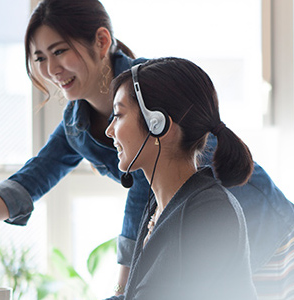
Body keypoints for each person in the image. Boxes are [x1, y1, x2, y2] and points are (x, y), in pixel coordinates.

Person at [0, 0, 294, 297]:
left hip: (262, 233)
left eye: (59, 51)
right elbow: (30, 180)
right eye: (39, 59)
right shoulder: (77, 122)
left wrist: (123, 288)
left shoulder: (158, 95)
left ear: (102, 41)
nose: (51, 70)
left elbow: (144, 193)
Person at [104, 57, 257, 299]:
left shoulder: (209, 212)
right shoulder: (157, 208)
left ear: (159, 125)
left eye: (119, 115)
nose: (109, 130)